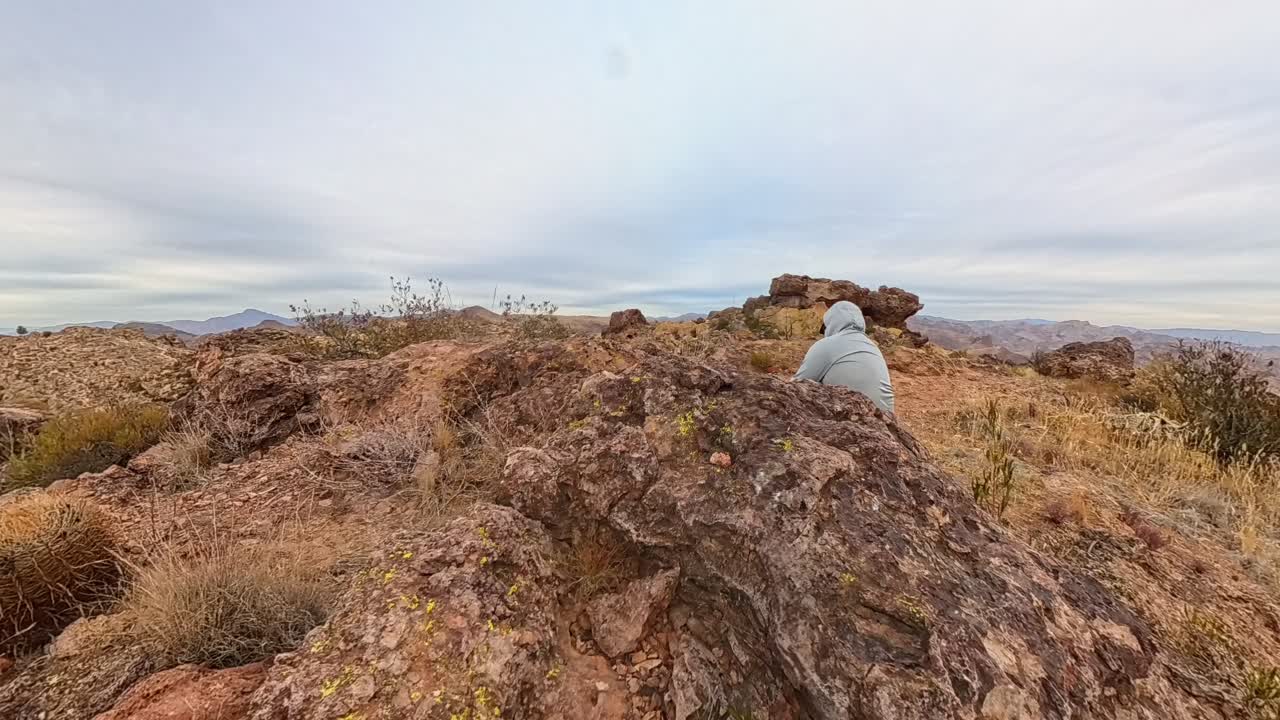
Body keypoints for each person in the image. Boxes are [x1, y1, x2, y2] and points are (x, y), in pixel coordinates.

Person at [793, 301, 895, 414]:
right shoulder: (872, 346)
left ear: (832, 323)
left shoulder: (827, 344)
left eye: (824, 327)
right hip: (886, 421)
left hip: (852, 419)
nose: (824, 331)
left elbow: (795, 386)